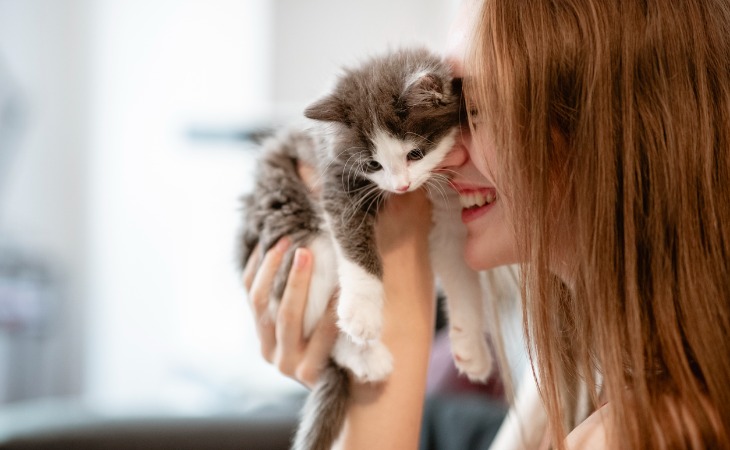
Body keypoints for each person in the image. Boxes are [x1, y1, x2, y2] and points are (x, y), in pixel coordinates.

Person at [243, 0, 730, 448]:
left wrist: (399, 297)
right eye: (454, 112)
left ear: (606, 130)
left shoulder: (646, 431)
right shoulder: (577, 383)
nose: (449, 155)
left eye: (475, 110)